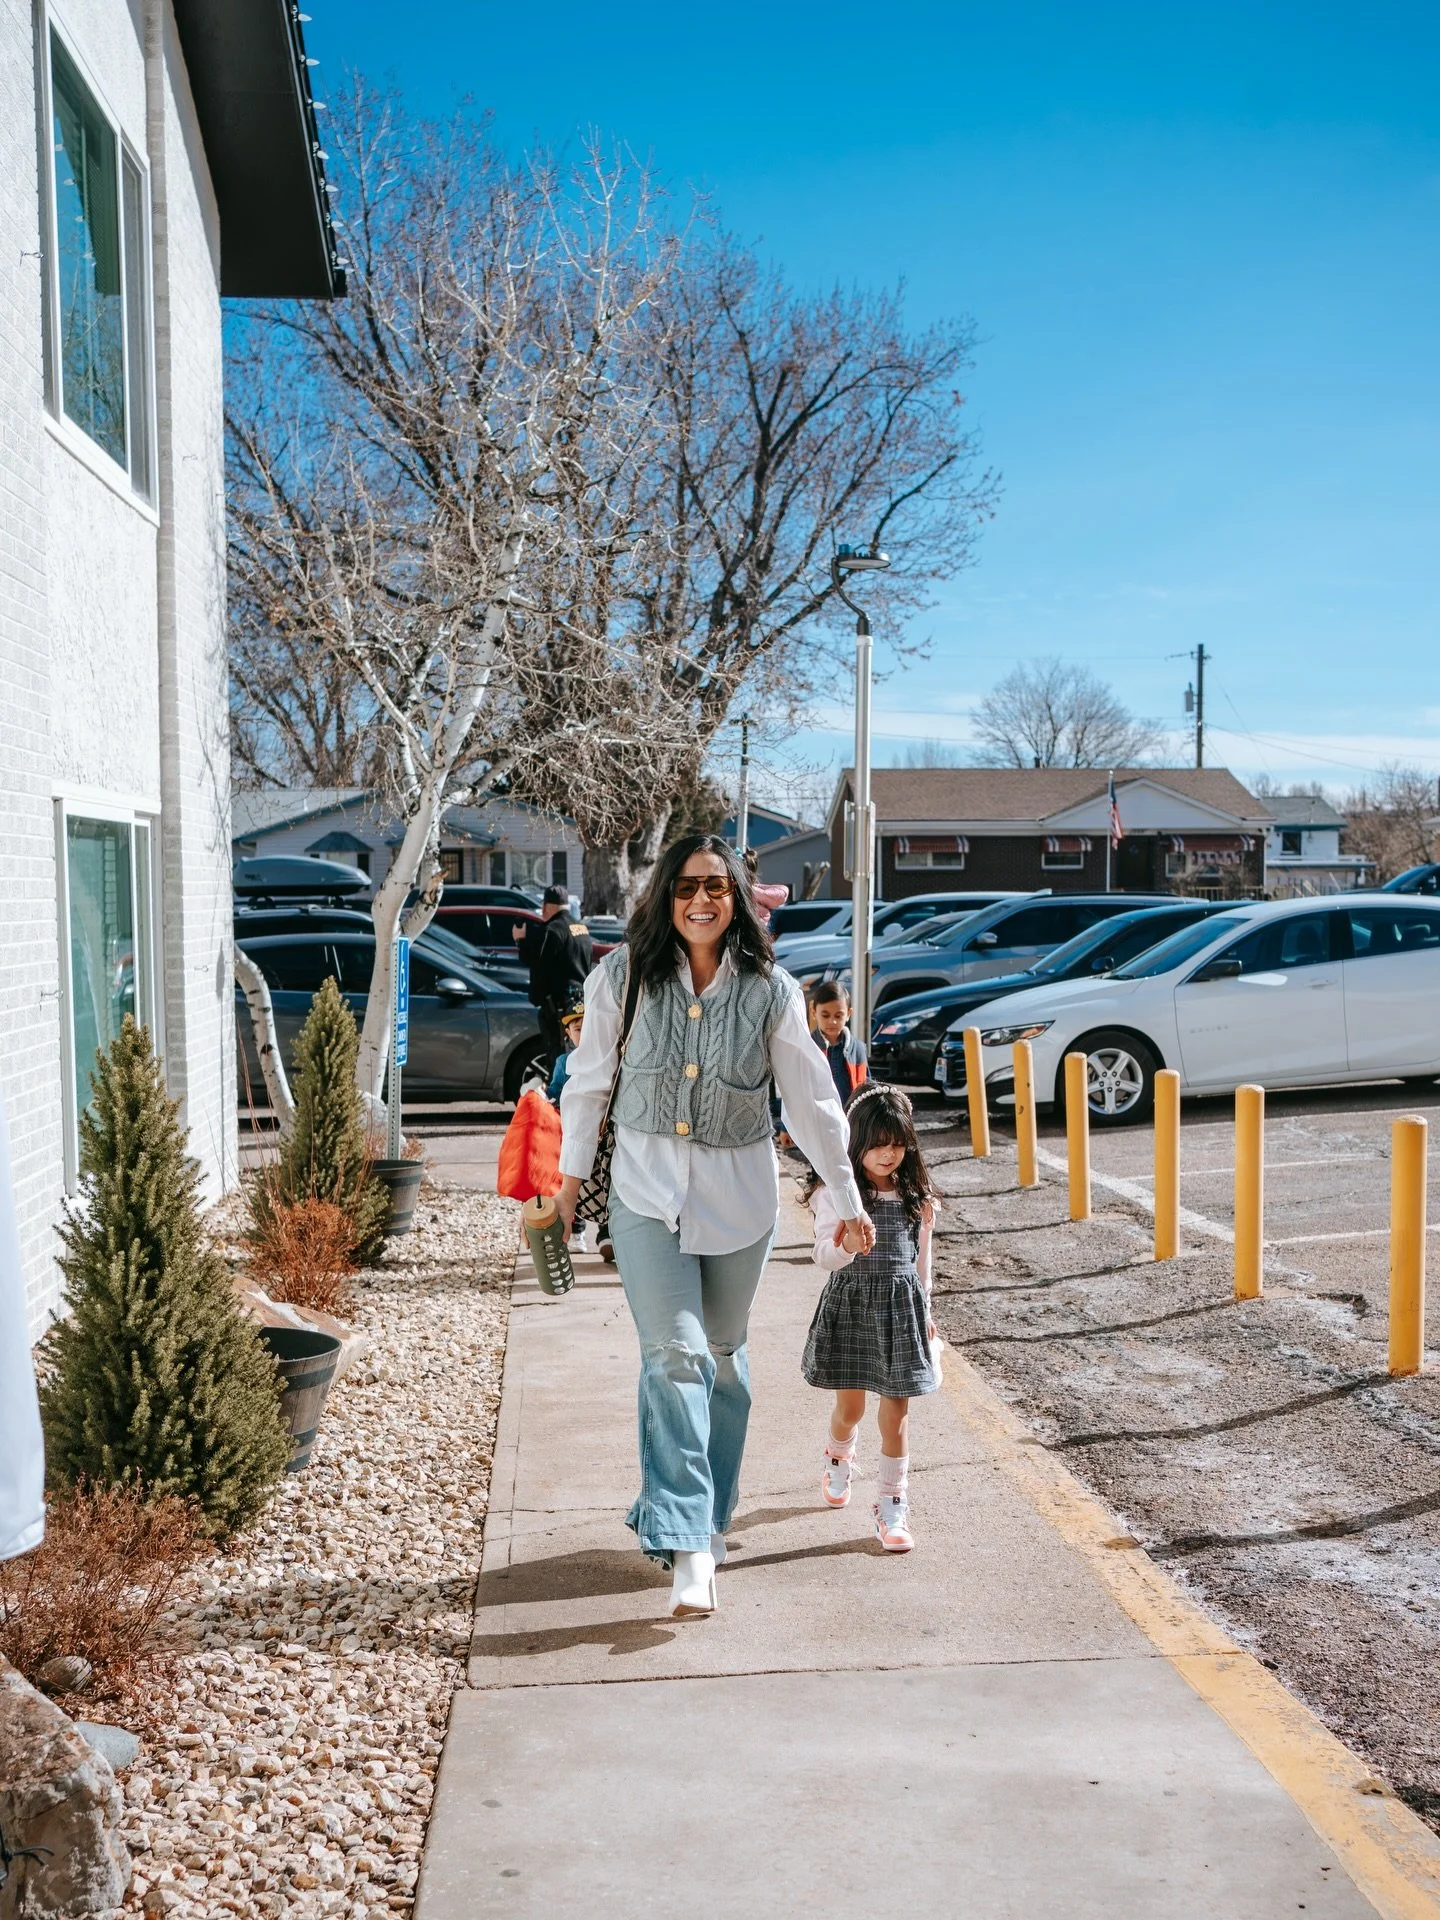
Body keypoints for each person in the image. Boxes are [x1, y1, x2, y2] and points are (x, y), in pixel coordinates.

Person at [557, 832, 875, 1619]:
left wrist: (847, 1195)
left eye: (718, 888)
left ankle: (703, 1515)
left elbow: (812, 1101)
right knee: (677, 1355)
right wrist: (566, 1191)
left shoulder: (771, 990)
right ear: (666, 897)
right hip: (644, 1199)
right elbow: (588, 1086)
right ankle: (690, 1543)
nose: (702, 900)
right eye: (687, 886)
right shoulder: (621, 978)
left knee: (724, 1361)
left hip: (740, 1205)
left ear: (736, 900)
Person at [803, 1084, 940, 1554]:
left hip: (902, 1311)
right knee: (852, 1408)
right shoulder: (836, 1195)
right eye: (878, 1143)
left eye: (898, 1143)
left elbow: (922, 1260)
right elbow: (822, 1255)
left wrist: (927, 1309)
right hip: (855, 1306)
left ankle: (891, 1504)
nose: (889, 1154)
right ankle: (838, 1456)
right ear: (854, 1142)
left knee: (898, 1411)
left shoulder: (913, 1194)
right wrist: (847, 1245)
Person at [513, 885, 596, 1070]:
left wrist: (520, 942)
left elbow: (539, 964)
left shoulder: (552, 930)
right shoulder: (580, 928)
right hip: (581, 1000)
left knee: (558, 1058)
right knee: (577, 1054)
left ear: (547, 907)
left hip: (558, 1007)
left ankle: (558, 1096)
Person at [808, 981, 868, 1108]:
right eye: (825, 1015)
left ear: (848, 1014)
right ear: (814, 1013)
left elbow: (865, 1086)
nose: (832, 1021)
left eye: (838, 1015)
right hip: (818, 1117)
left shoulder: (858, 1049)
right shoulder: (807, 1047)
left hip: (850, 1116)